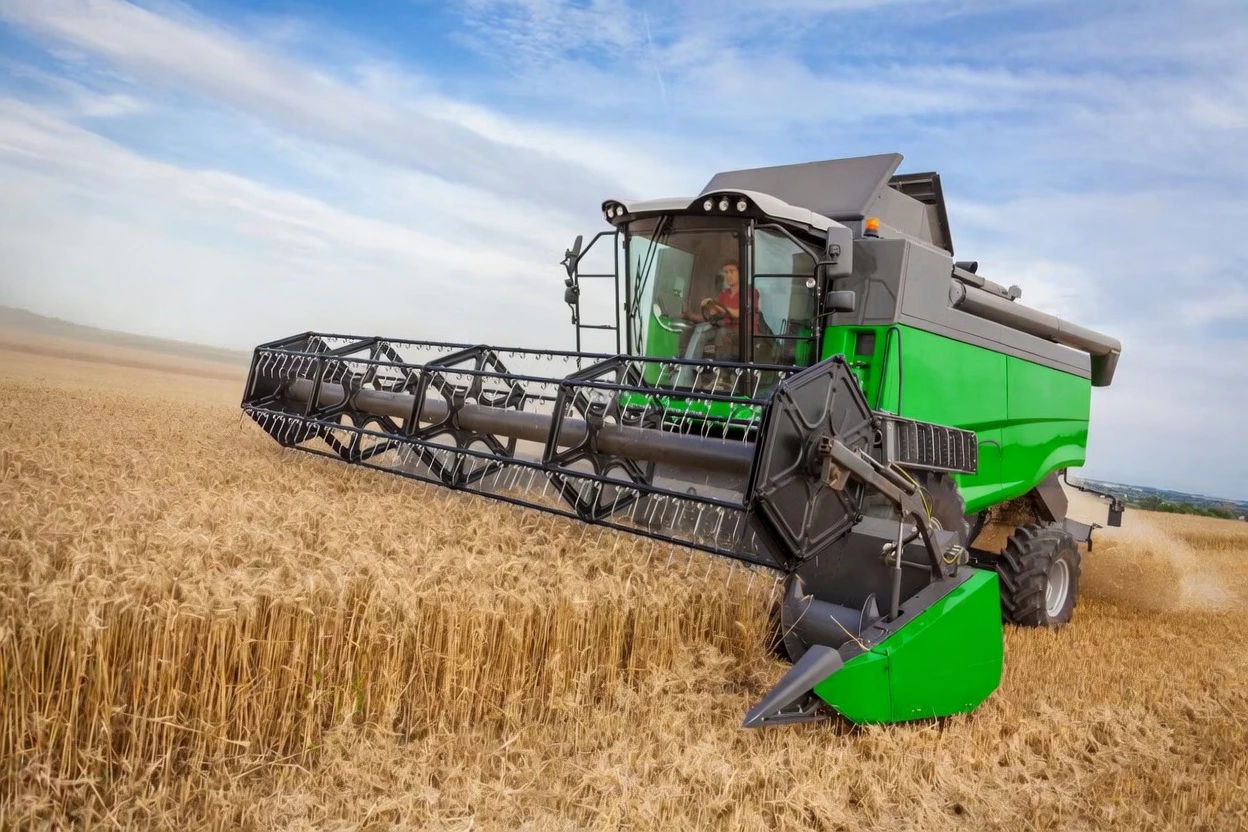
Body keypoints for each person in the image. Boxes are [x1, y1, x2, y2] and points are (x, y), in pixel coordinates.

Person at [681, 260, 759, 360]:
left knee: (722, 332)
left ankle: (723, 369)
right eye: (726, 272)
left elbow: (739, 313)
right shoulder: (725, 294)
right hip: (725, 330)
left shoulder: (750, 292)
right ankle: (688, 366)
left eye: (731, 271)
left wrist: (721, 306)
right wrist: (689, 316)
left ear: (741, 273)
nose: (728, 275)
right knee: (699, 329)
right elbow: (710, 318)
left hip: (744, 333)